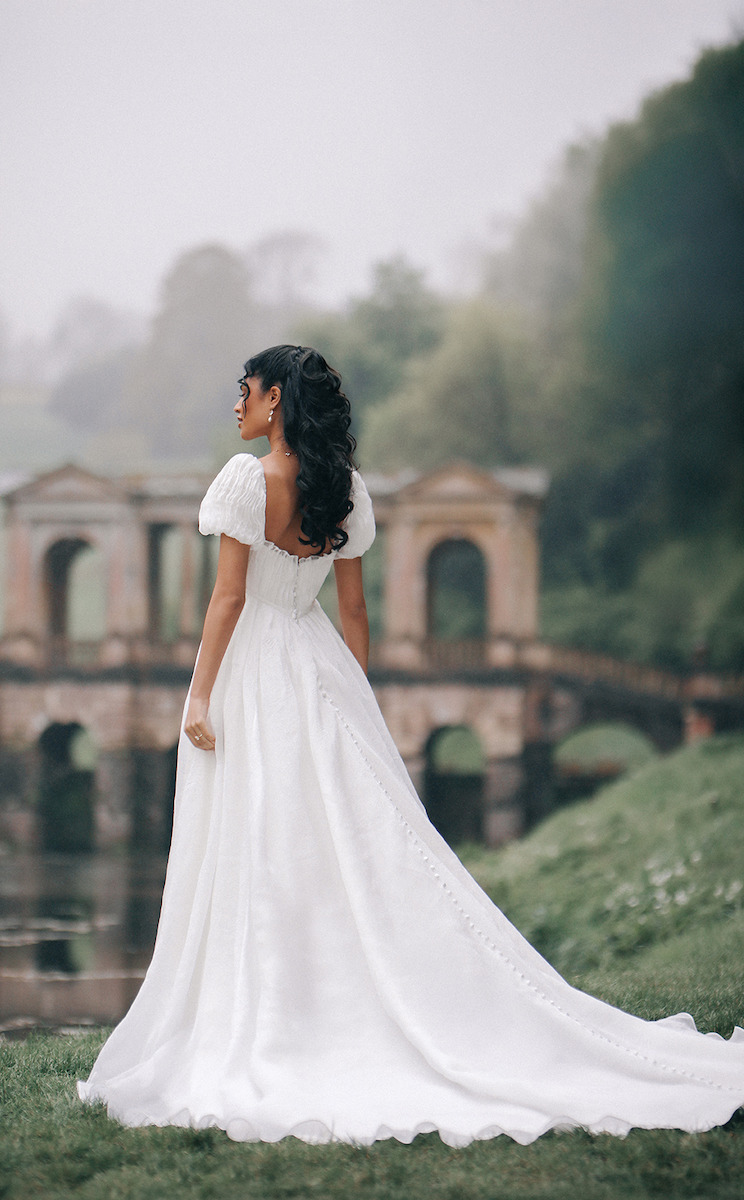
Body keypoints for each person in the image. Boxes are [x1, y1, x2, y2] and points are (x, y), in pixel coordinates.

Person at [79, 345, 744, 1146]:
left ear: (278, 400)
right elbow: (354, 612)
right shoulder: (344, 491)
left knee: (260, 834)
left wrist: (198, 694)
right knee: (339, 842)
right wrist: (350, 694)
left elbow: (226, 599)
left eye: (246, 392)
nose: (237, 407)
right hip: (317, 660)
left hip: (254, 666)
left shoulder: (248, 482)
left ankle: (271, 1006)